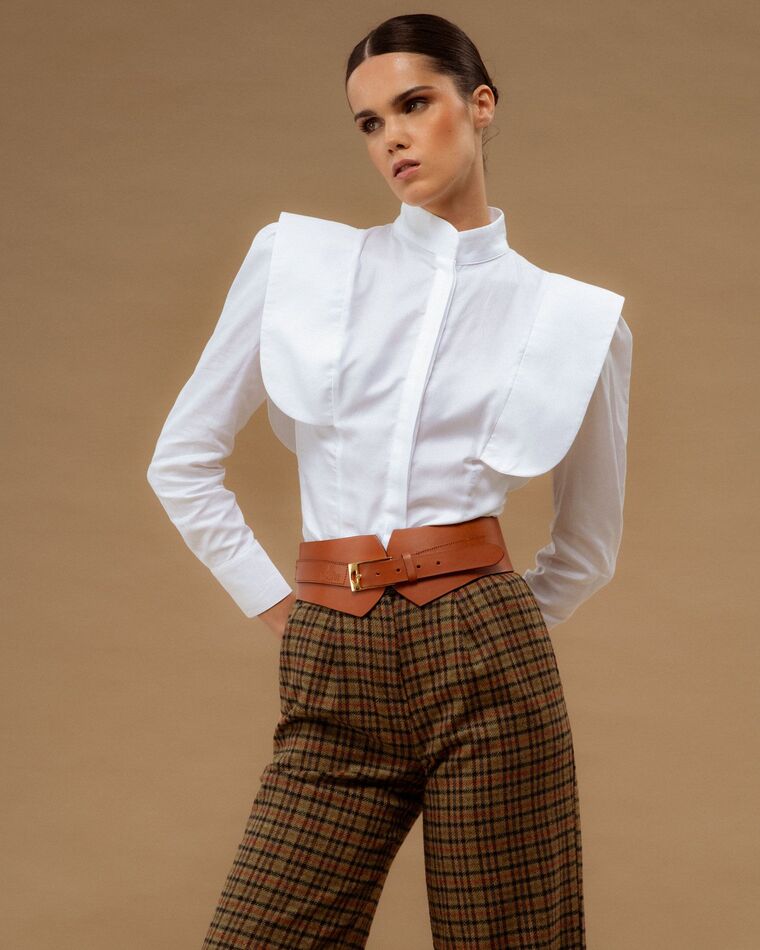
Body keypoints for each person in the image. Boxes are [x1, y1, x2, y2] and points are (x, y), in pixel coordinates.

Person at [146, 12, 632, 949]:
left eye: (414, 105)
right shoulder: (299, 264)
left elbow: (588, 548)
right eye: (370, 123)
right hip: (331, 649)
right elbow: (183, 460)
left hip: (487, 658)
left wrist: (484, 628)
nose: (392, 139)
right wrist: (288, 614)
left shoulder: (575, 320)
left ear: (479, 105)